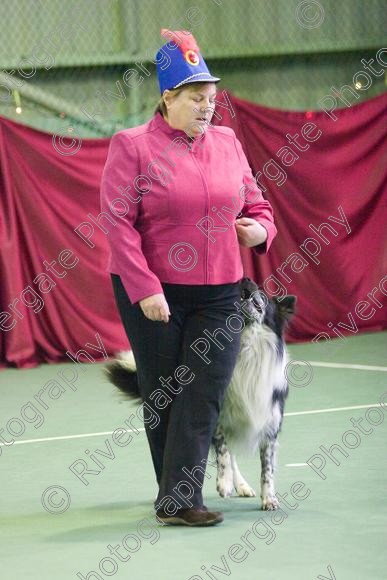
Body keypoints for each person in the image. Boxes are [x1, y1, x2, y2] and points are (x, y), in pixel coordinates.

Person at [100, 29, 277, 526]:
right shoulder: (131, 147)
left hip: (221, 290)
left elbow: (259, 203)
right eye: (197, 98)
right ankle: (176, 496)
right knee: (162, 390)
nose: (207, 107)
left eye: (212, 99)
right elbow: (117, 222)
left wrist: (259, 228)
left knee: (205, 389)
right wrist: (145, 288)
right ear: (168, 98)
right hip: (154, 289)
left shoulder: (227, 143)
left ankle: (177, 499)